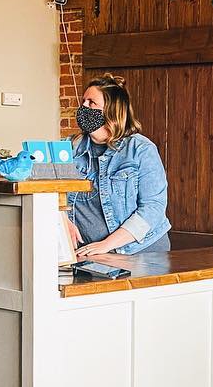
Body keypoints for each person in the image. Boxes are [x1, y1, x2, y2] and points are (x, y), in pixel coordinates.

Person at [68, 73, 171, 256]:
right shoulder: (69, 148)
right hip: (93, 254)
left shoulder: (140, 149)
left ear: (111, 110)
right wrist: (62, 218)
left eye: (91, 103)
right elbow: (49, 190)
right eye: (83, 102)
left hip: (142, 251)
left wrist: (106, 244)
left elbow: (153, 208)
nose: (83, 107)